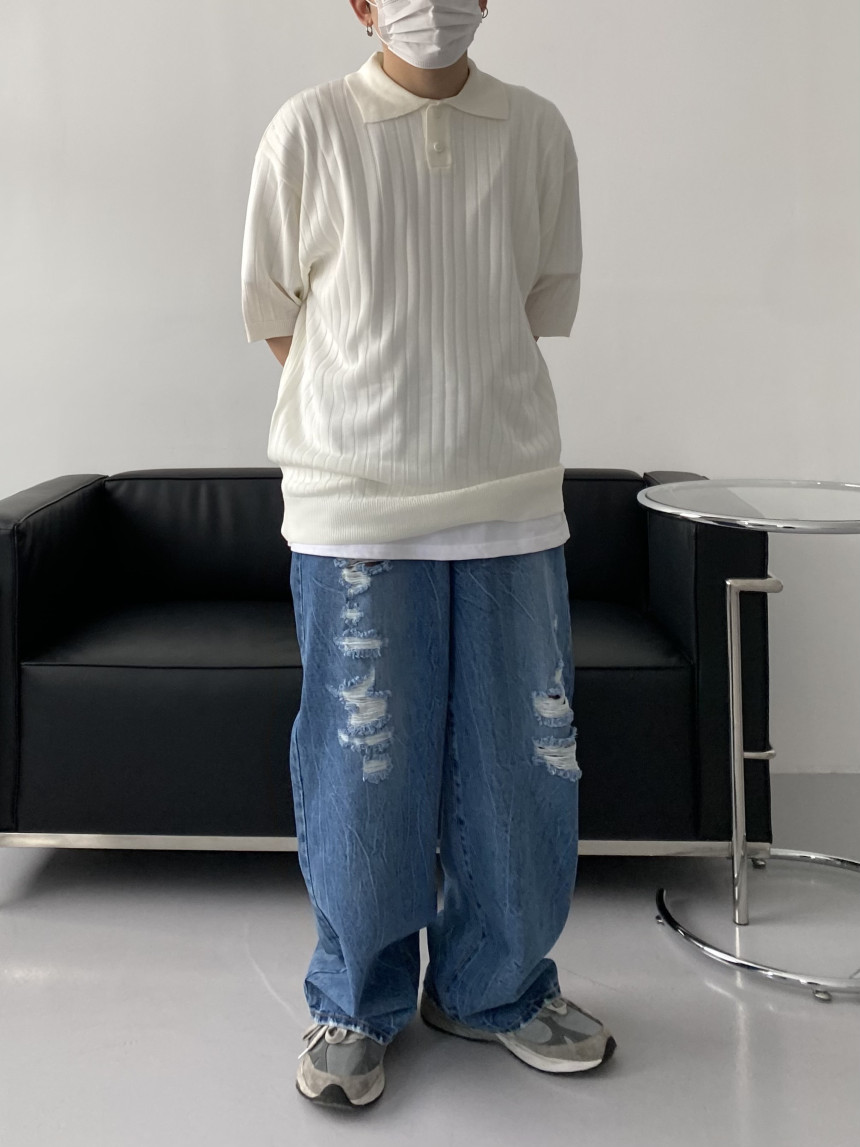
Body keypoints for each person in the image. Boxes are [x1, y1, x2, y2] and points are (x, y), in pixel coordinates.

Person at [241, 0, 615, 1111]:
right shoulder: (307, 130)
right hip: (354, 506)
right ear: (358, 5)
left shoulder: (536, 130)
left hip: (509, 497)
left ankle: (497, 986)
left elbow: (532, 304)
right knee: (363, 766)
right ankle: (355, 1002)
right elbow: (274, 309)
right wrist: (370, 404)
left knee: (523, 761)